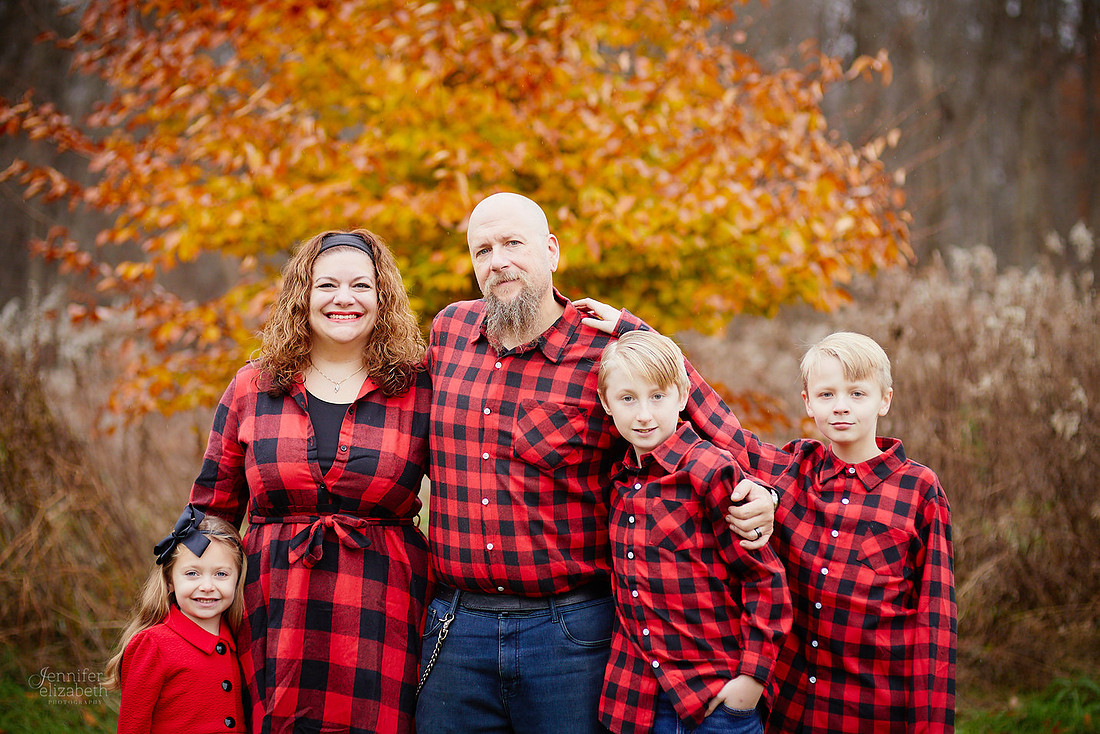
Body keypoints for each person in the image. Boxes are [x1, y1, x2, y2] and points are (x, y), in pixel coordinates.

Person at [415, 192, 786, 734]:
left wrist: (765, 494)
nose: (498, 261)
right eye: (482, 250)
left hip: (568, 633)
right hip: (456, 630)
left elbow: (715, 427)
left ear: (551, 250)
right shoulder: (448, 332)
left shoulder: (604, 347)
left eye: (514, 244)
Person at [188, 229, 432, 733]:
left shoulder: (418, 388)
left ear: (382, 297)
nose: (344, 299)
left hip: (382, 608)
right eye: (327, 286)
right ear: (303, 295)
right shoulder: (253, 386)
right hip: (271, 606)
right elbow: (211, 510)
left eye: (361, 286)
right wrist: (184, 602)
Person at [596, 330, 792, 734]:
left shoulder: (709, 470)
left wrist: (751, 680)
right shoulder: (617, 481)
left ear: (683, 396)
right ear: (606, 403)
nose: (644, 414)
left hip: (717, 699)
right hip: (638, 702)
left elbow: (764, 578)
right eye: (627, 399)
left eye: (657, 397)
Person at [764, 332, 957, 733]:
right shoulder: (795, 468)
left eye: (857, 394)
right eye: (827, 395)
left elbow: (934, 623)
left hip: (870, 713)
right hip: (786, 708)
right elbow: (723, 433)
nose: (840, 407)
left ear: (884, 400)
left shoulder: (919, 490)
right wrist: (636, 332)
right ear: (808, 403)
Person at [106, 505, 247, 734]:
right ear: (170, 581)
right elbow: (133, 727)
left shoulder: (238, 639)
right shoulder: (153, 644)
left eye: (221, 574)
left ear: (237, 579)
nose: (207, 587)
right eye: (192, 573)